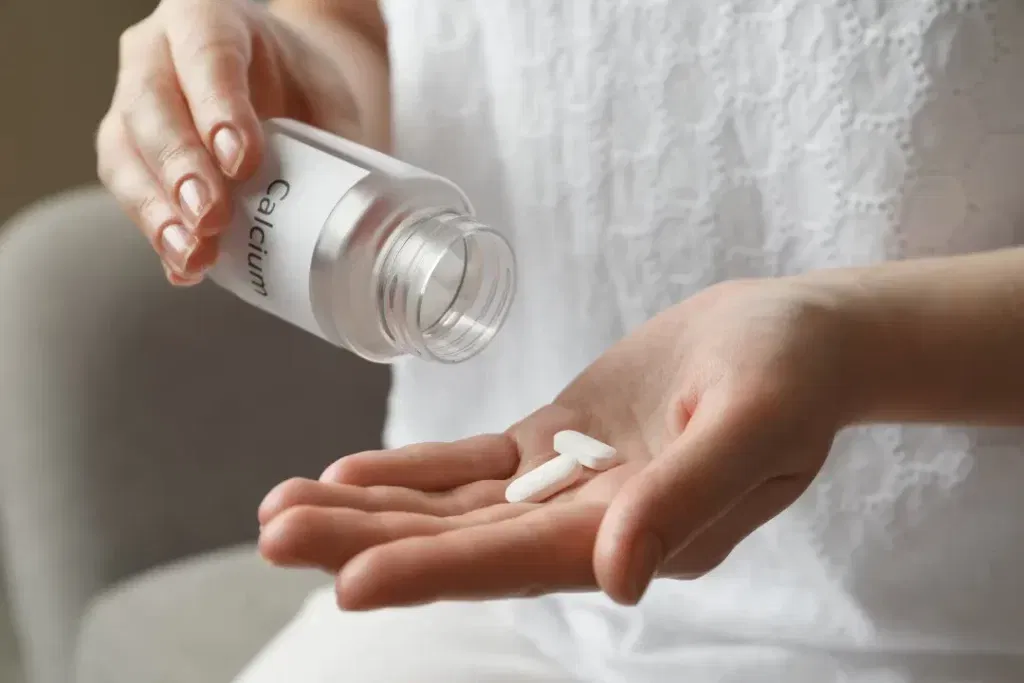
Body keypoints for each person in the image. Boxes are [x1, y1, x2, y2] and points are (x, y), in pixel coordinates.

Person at [95, 0, 1024, 680]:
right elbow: (385, 25)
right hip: (512, 603)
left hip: (947, 629)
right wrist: (308, 70)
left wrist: (862, 342)